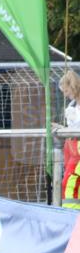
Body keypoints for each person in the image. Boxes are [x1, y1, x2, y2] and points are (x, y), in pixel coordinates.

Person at [58, 70, 80, 209]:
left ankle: (70, 215)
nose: (65, 95)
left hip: (78, 151)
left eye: (66, 91)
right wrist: (61, 128)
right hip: (73, 148)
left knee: (69, 183)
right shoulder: (72, 105)